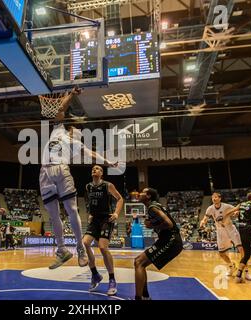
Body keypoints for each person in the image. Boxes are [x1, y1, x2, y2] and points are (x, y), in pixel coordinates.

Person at [40, 86, 118, 269]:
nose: (74, 128)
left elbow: (93, 155)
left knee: (71, 209)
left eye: (76, 129)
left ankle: (80, 249)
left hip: (61, 170)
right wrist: (72, 94)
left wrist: (108, 163)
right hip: (44, 171)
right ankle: (62, 250)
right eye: (73, 127)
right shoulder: (58, 130)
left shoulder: (75, 143)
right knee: (53, 214)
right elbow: (60, 109)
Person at [133, 188, 183, 300]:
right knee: (139, 262)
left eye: (142, 192)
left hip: (171, 239)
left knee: (139, 262)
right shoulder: (154, 206)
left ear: (148, 196)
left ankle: (139, 298)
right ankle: (145, 296)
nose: (139, 193)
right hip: (168, 239)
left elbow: (169, 224)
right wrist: (151, 223)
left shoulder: (152, 207)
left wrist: (152, 226)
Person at [83, 165, 123, 296]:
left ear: (101, 173)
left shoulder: (107, 185)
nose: (94, 170)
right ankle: (95, 275)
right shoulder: (88, 187)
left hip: (106, 218)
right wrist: (90, 213)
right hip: (95, 219)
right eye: (93, 169)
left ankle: (112, 280)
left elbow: (120, 199)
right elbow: (90, 202)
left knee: (102, 247)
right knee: (85, 243)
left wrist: (116, 213)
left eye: (98, 169)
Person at [199, 192, 251, 280]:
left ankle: (246, 272)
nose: (214, 199)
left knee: (241, 249)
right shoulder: (210, 208)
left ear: (220, 198)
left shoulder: (226, 206)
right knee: (221, 253)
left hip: (230, 229)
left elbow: (236, 210)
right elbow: (205, 218)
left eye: (216, 197)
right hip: (220, 231)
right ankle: (231, 266)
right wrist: (203, 222)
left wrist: (236, 213)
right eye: (213, 197)